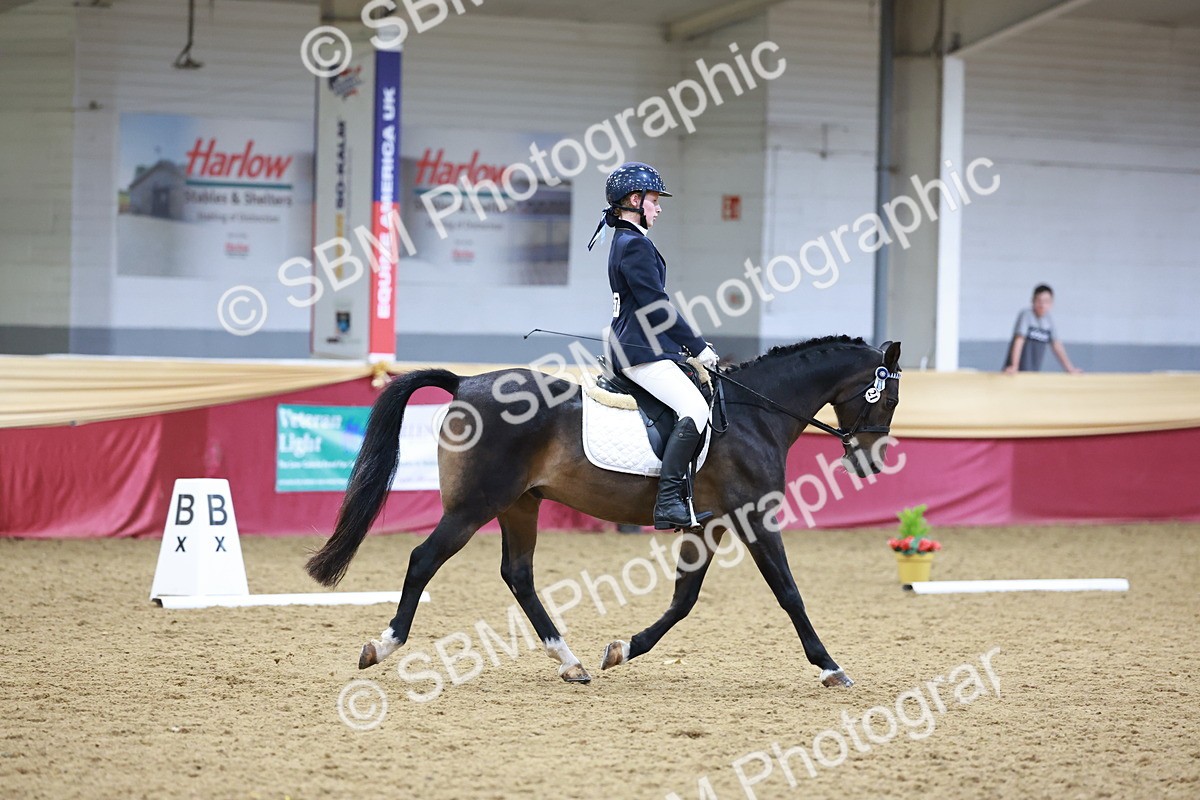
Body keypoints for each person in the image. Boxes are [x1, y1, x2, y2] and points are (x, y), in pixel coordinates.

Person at [588, 162, 718, 530]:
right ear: (635, 199)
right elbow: (656, 307)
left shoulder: (626, 241)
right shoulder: (634, 245)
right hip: (639, 352)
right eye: (655, 200)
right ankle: (670, 501)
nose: (658, 208)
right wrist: (697, 347)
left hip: (640, 345)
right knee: (694, 407)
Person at [1003, 284, 1082, 373]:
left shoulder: (1048, 320)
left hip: (1033, 371)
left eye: (1046, 301)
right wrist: (1014, 366)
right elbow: (1019, 341)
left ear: (1051, 303)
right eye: (1039, 301)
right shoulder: (1026, 315)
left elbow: (1056, 344)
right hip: (1016, 372)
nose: (1042, 305)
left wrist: (1070, 368)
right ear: (1032, 301)